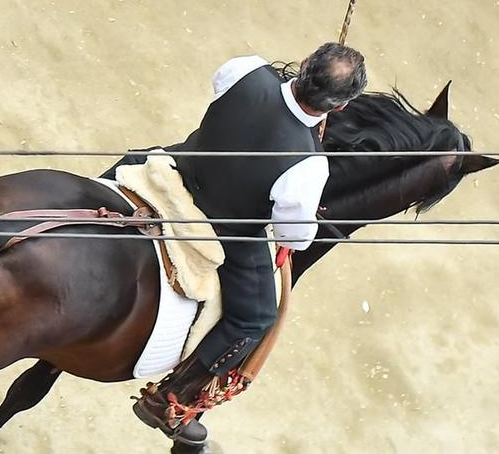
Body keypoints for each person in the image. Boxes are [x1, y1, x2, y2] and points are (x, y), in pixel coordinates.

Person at [134, 45, 367, 436]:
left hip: (181, 167)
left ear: (306, 62)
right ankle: (169, 399)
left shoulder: (246, 69)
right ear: (340, 107)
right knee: (256, 317)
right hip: (225, 228)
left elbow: (220, 87)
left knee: (128, 164)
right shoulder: (310, 165)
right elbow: (295, 236)